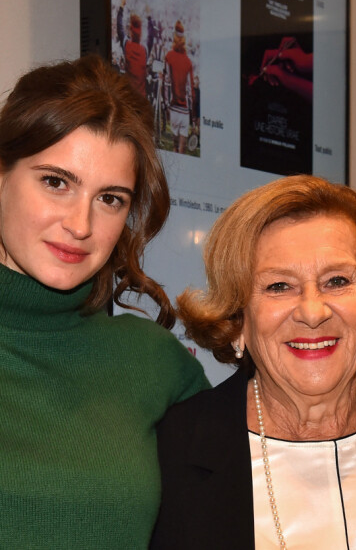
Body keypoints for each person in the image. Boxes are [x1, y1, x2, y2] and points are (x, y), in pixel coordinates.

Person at [150, 175, 356, 549]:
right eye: (279, 286)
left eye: (337, 281)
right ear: (238, 318)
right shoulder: (171, 454)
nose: (312, 311)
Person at [0, 54, 209, 548]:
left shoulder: (152, 361)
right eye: (56, 182)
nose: (81, 224)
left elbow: (282, 441)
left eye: (110, 198)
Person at [163, 20, 195, 154]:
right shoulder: (188, 61)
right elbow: (191, 90)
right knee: (182, 152)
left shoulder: (169, 56)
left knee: (174, 149)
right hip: (184, 110)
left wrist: (165, 105)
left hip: (173, 108)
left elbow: (166, 83)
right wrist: (192, 114)